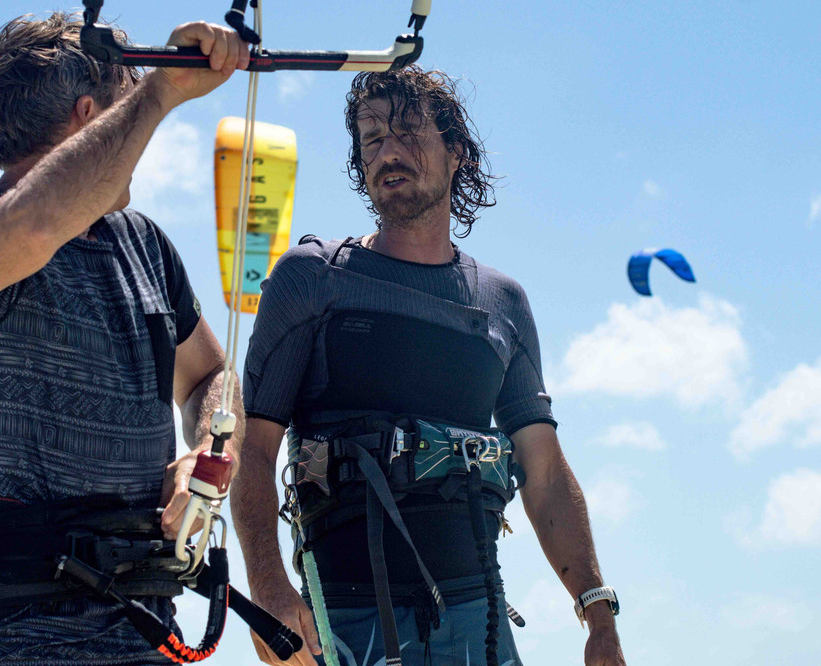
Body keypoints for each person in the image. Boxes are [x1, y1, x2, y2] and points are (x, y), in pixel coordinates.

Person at [232, 67, 626, 666]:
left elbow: (544, 475)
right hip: (342, 619)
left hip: (480, 622)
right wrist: (269, 592)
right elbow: (251, 449)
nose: (388, 152)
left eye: (409, 133)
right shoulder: (312, 279)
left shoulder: (502, 302)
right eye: (372, 139)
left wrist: (598, 616)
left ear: (455, 153)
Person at [0, 12, 251, 666]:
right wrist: (158, 93)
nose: (143, 136)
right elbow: (37, 225)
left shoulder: (144, 245)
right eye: (127, 116)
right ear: (90, 118)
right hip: (3, 640)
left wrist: (207, 456)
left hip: (147, 632)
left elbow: (213, 378)